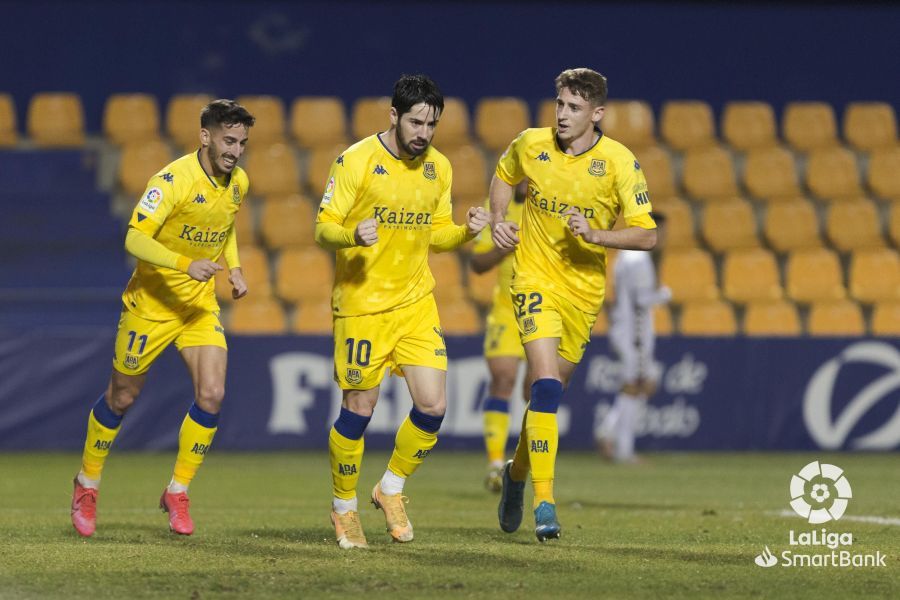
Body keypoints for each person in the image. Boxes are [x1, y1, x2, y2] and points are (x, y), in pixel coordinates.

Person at [315, 74, 489, 549]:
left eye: (432, 124)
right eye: (416, 122)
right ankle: (344, 508)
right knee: (360, 408)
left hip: (415, 303)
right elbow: (322, 227)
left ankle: (390, 488)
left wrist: (467, 231)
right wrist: (353, 235)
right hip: (362, 306)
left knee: (434, 405)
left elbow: (438, 234)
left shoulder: (440, 168)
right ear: (393, 116)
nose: (424, 133)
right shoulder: (355, 161)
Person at [70, 99, 255, 538]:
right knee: (122, 398)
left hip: (198, 307)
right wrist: (183, 262)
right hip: (151, 306)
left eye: (243, 142)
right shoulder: (171, 180)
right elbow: (135, 236)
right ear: (206, 136)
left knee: (212, 393)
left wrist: (235, 267)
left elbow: (225, 226)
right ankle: (87, 482)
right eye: (229, 140)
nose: (236, 150)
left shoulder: (238, 182)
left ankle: (177, 491)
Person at [490, 68, 657, 542]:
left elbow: (648, 233)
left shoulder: (620, 163)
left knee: (549, 395)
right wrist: (500, 218)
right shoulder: (531, 143)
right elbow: (504, 176)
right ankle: (545, 501)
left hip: (583, 293)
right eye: (560, 104)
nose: (562, 115)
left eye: (574, 108)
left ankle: (517, 474)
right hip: (533, 280)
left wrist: (597, 234)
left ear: (597, 114)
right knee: (543, 387)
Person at [596, 212, 670, 463]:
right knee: (637, 385)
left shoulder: (625, 256)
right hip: (634, 332)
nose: (664, 238)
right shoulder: (640, 259)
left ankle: (608, 431)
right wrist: (663, 295)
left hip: (624, 327)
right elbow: (641, 301)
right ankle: (623, 449)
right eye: (660, 231)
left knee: (637, 386)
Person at [470, 180, 528, 492]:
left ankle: (524, 464)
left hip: (544, 306)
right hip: (506, 311)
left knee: (536, 391)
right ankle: (495, 464)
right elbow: (477, 263)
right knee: (503, 378)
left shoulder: (552, 206)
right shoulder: (497, 209)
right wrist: (501, 249)